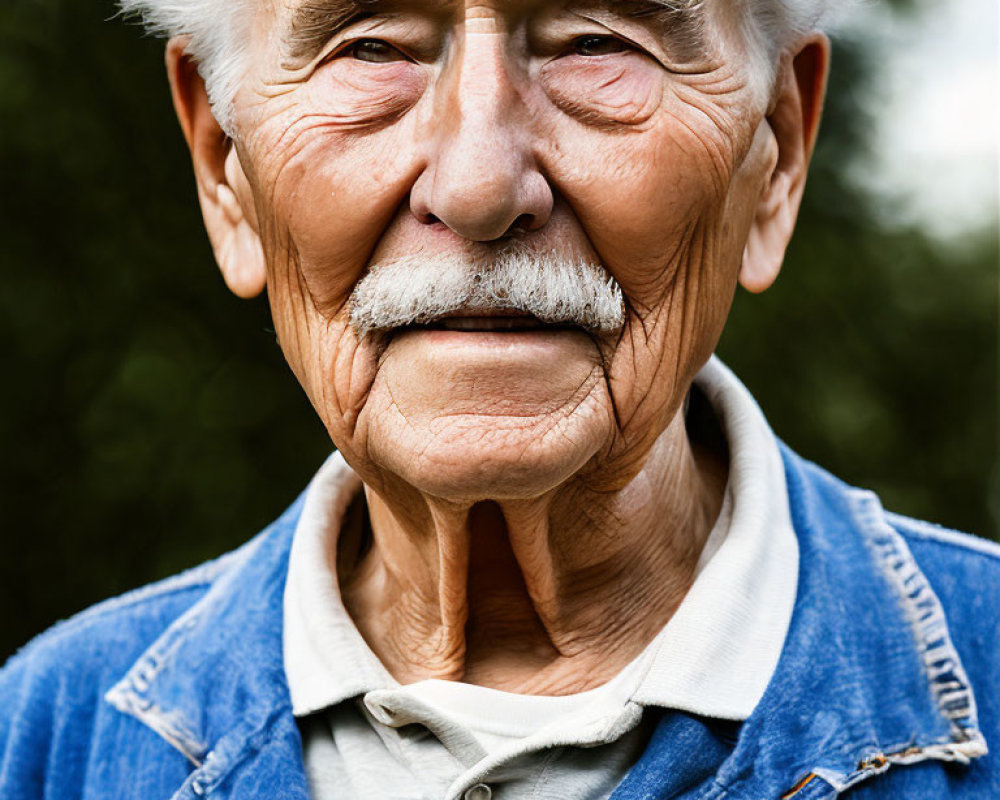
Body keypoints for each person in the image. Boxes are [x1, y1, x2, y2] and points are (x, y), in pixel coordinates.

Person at [1, 0, 997, 798]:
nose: (479, 187)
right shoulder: (44, 740)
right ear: (224, 166)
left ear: (774, 151)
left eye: (595, 41)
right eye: (372, 44)